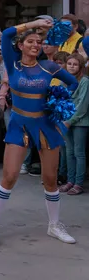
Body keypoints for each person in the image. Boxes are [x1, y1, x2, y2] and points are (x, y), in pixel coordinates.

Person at [0, 20, 78, 247]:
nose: (36, 45)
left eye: (39, 42)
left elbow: (73, 83)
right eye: (31, 42)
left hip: (46, 125)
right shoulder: (13, 64)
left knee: (50, 179)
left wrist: (59, 106)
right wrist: (34, 24)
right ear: (21, 45)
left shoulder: (49, 66)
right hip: (19, 124)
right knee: (9, 176)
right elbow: (7, 34)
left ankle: (54, 225)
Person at [60, 55, 89, 196]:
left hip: (80, 122)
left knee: (79, 152)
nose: (71, 66)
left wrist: (69, 121)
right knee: (69, 151)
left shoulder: (85, 82)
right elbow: (60, 101)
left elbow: (82, 105)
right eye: (69, 63)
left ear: (81, 66)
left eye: (75, 64)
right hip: (65, 121)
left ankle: (78, 183)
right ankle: (70, 181)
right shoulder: (64, 81)